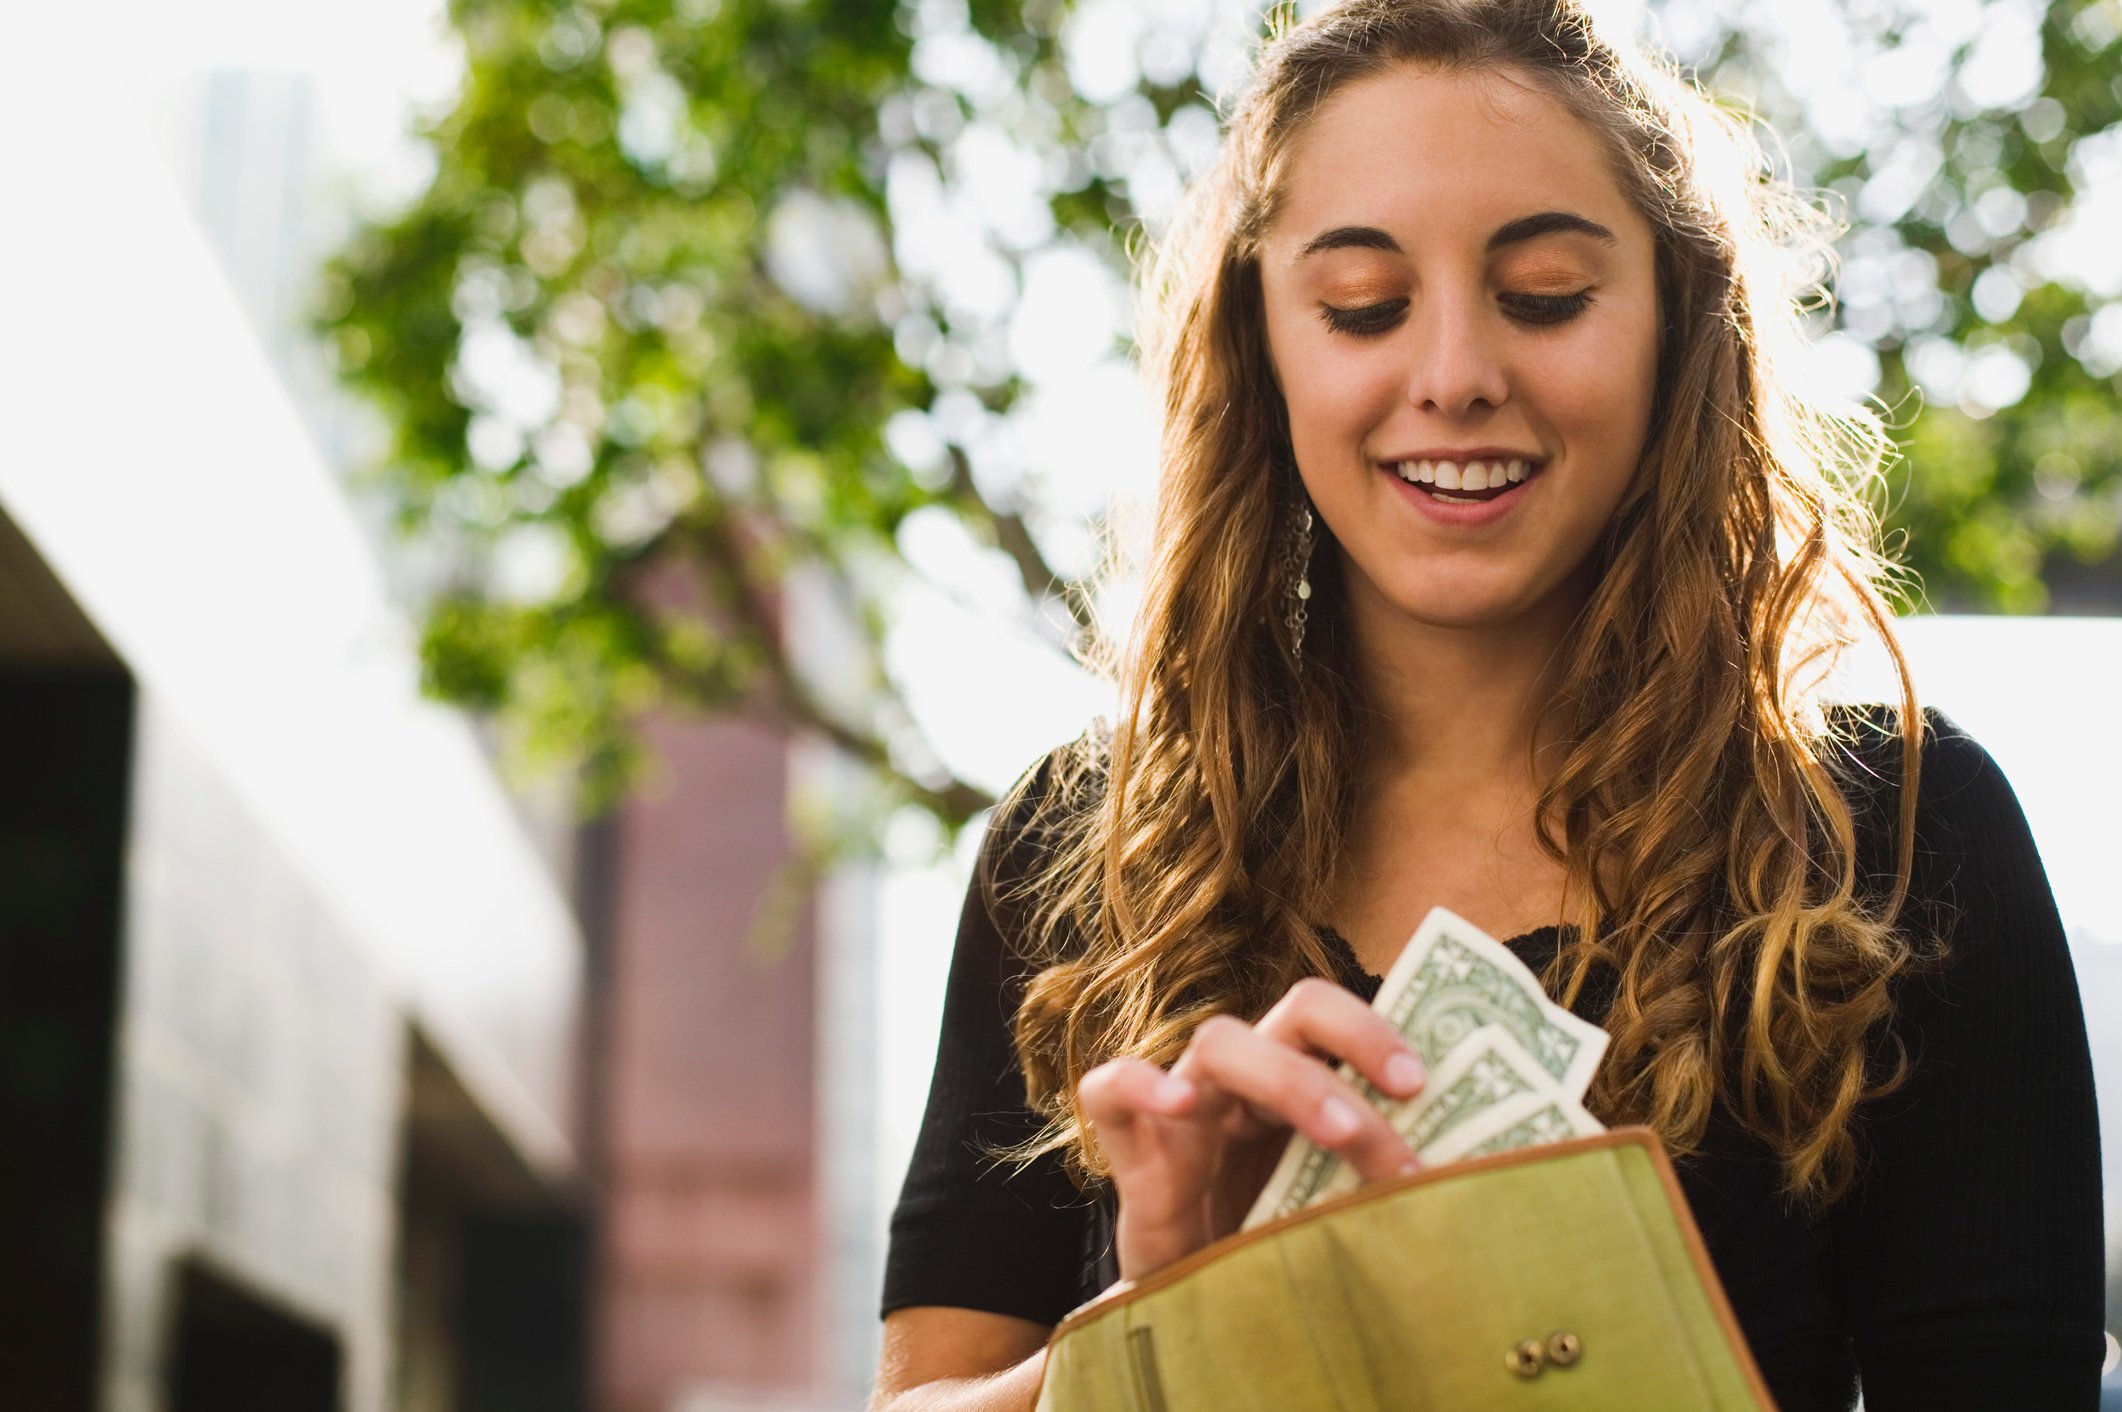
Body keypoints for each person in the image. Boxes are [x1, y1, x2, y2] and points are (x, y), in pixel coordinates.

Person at [870, 1, 2108, 1408]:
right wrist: (1160, 1326)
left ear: (1673, 328)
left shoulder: (1897, 837)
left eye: (1543, 296)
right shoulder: (1079, 851)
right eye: (1360, 308)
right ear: (1262, 347)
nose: (1454, 375)